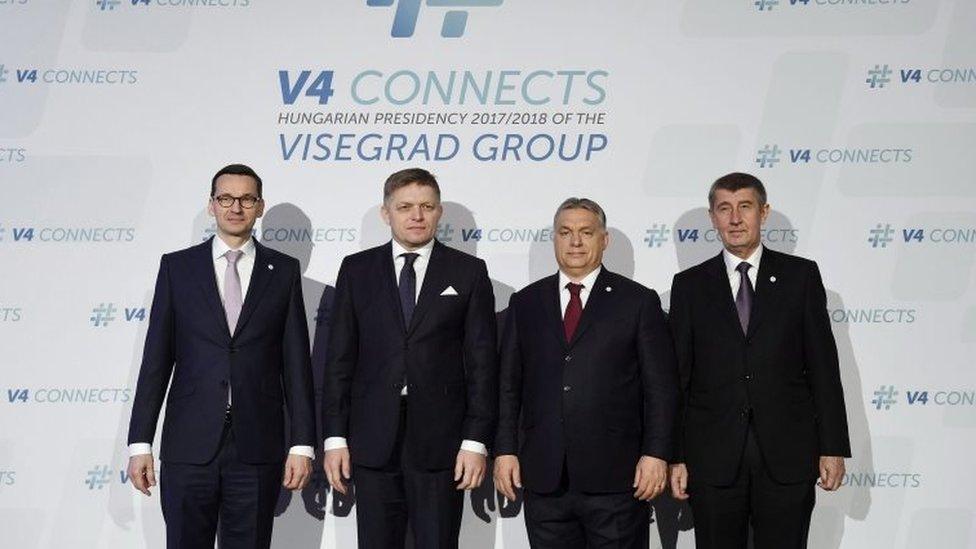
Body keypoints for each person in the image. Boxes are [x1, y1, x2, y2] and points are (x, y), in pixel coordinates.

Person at [126, 163, 316, 548]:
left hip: (257, 447)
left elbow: (296, 365)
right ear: (211, 205)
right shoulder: (177, 268)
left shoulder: (283, 271)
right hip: (188, 446)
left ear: (260, 206)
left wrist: (302, 444)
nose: (236, 207)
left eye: (246, 199)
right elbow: (156, 361)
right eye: (225, 198)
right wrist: (140, 443)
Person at [668, 172, 851, 549]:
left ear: (763, 213)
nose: (735, 218)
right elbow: (677, 380)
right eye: (724, 209)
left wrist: (832, 446)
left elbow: (823, 369)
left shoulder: (801, 277)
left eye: (745, 207)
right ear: (712, 217)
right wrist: (676, 456)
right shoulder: (689, 286)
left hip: (788, 454)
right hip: (712, 458)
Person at [322, 168, 497, 548]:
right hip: (370, 439)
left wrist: (475, 441)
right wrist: (334, 436)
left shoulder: (468, 272)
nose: (416, 215)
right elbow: (339, 359)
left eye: (426, 206)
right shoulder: (356, 269)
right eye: (405, 207)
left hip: (442, 443)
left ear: (439, 213)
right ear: (386, 213)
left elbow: (482, 364)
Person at [494, 197, 678, 548]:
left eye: (585, 232)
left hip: (617, 479)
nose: (575, 241)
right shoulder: (526, 303)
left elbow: (660, 389)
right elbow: (508, 386)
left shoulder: (638, 302)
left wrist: (656, 454)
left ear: (603, 239)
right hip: (545, 478)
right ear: (555, 239)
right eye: (565, 232)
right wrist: (505, 450)